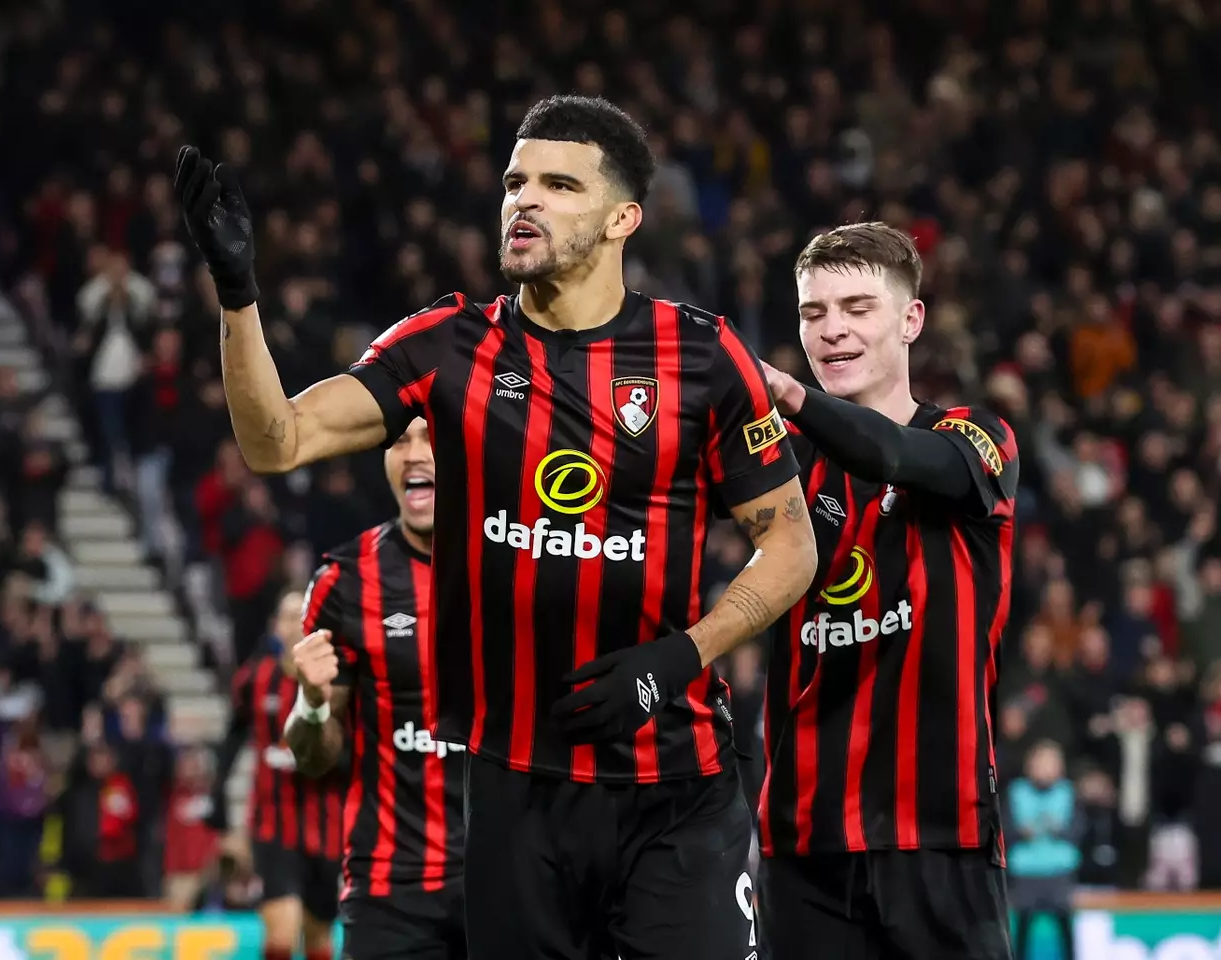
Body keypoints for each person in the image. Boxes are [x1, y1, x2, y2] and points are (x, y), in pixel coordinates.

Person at [174, 93, 818, 960]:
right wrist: (238, 294)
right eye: (516, 181)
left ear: (623, 217)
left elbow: (792, 545)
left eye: (559, 184)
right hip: (516, 792)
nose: (525, 200)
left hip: (677, 784)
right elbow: (275, 441)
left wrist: (680, 657)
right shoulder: (446, 344)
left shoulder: (701, 355)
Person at [756, 222, 1018, 959]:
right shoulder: (779, 468)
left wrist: (788, 394)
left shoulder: (975, 436)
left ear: (911, 320)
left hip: (939, 832)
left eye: (857, 307)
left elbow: (895, 451)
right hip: (800, 840)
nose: (832, 330)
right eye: (814, 313)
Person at [283, 416, 467, 959]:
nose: (414, 453)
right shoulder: (345, 581)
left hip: (510, 881)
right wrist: (313, 705)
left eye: (432, 437)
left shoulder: (528, 560)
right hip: (391, 890)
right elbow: (313, 757)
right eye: (399, 441)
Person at [210, 589, 344, 960]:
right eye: (287, 616)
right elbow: (232, 736)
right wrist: (217, 797)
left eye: (303, 616)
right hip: (273, 822)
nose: (295, 625)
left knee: (318, 934)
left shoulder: (339, 684)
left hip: (326, 825)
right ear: (275, 626)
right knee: (282, 927)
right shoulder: (256, 678)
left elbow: (355, 746)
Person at [1006, 740, 1079, 960]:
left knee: (1065, 931)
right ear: (1030, 766)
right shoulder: (1015, 791)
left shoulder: (1068, 792)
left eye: (1052, 763)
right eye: (1042, 763)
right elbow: (1003, 829)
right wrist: (1020, 833)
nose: (1046, 769)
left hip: (1059, 871)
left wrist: (1060, 830)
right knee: (1023, 931)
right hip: (1026, 871)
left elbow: (1078, 829)